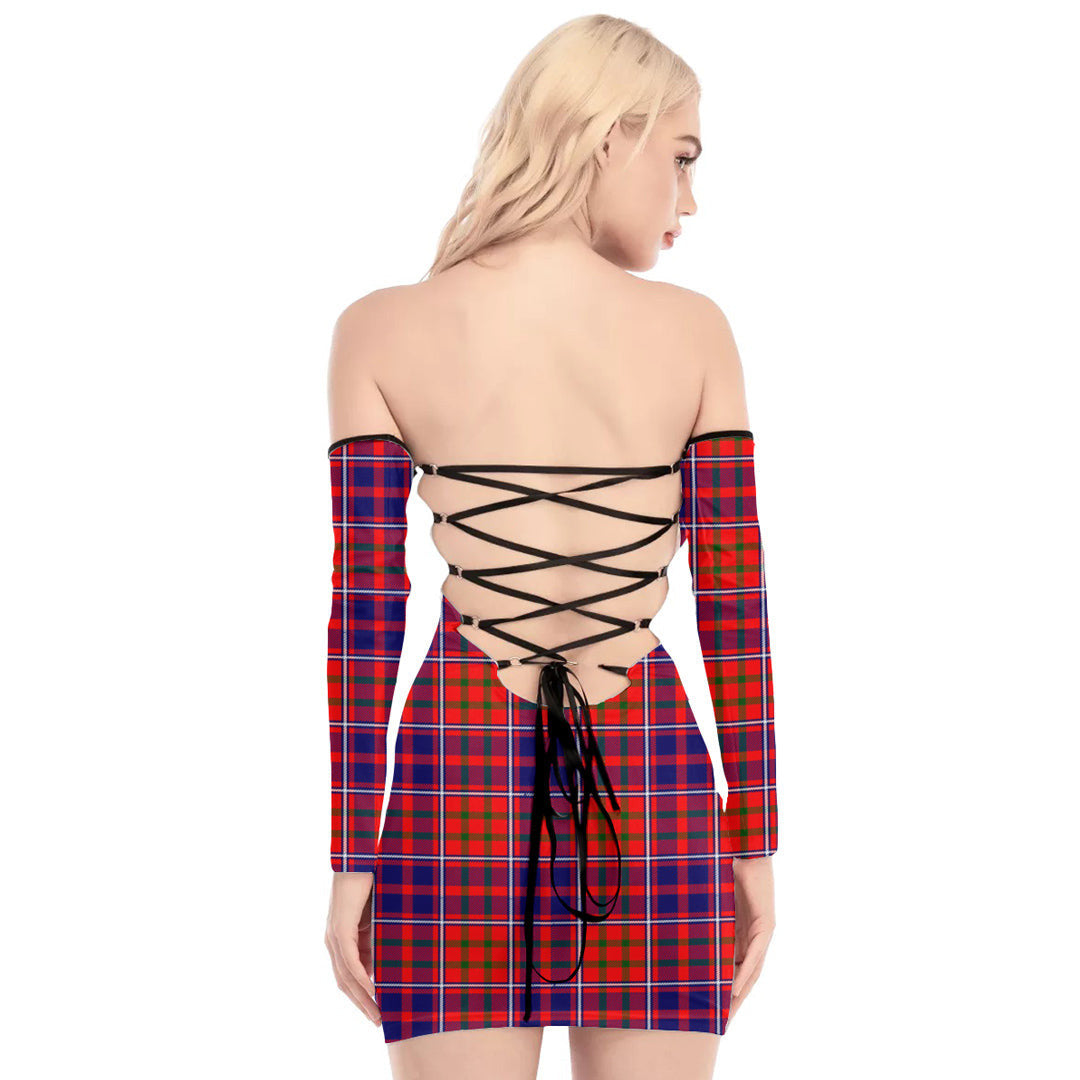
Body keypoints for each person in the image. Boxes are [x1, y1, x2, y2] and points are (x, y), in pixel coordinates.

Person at [323, 15, 778, 1080]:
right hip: (653, 775)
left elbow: (364, 618)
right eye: (682, 157)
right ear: (610, 135)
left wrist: (351, 857)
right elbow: (735, 605)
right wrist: (754, 839)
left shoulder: (378, 329)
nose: (689, 201)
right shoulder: (697, 332)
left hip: (453, 780)